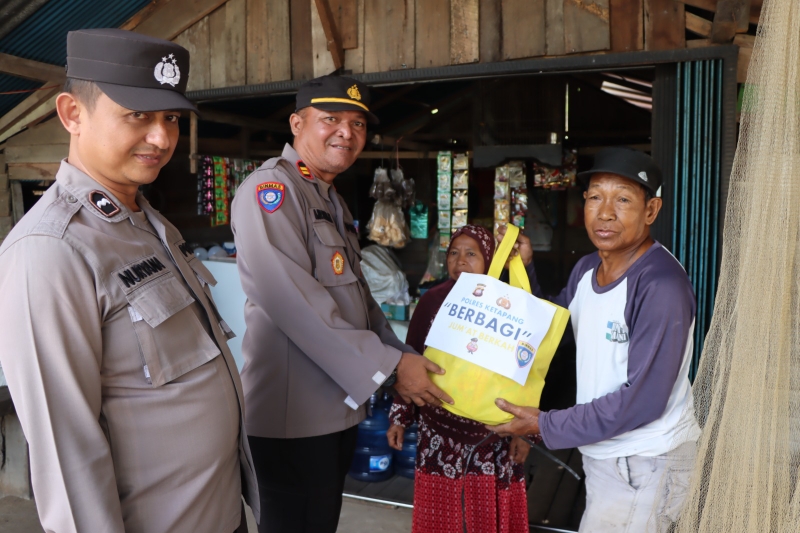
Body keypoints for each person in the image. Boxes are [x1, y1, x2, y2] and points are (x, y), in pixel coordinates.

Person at [0, 29, 258, 533]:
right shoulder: (52, 249)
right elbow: (65, 450)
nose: (162, 138)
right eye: (137, 115)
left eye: (171, 118)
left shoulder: (151, 224)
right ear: (73, 113)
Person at [231, 74, 452, 533]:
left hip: (335, 407)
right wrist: (391, 368)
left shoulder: (329, 198)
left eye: (357, 124)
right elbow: (292, 301)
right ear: (296, 123)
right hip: (293, 417)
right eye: (330, 119)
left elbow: (360, 299)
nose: (346, 133)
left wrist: (402, 355)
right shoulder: (271, 190)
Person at [489, 147, 700, 532]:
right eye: (595, 197)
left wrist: (546, 424)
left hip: (644, 459)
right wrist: (525, 266)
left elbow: (644, 399)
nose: (605, 212)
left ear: (651, 210)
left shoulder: (660, 285)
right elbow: (551, 327)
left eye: (622, 199)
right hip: (609, 453)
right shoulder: (588, 268)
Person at [387, 224, 531, 533]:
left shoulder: (510, 305)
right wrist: (400, 417)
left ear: (490, 259)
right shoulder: (432, 301)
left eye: (471, 253)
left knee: (485, 519)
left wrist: (524, 433)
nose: (460, 260)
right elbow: (410, 360)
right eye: (453, 253)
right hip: (439, 431)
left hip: (493, 433)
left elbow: (526, 374)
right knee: (440, 517)